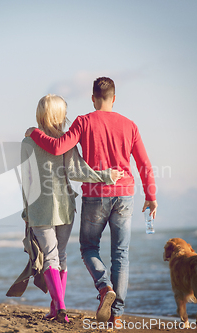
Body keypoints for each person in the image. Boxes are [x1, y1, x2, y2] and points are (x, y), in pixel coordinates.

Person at [25, 77, 157, 325]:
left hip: (96, 195)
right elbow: (144, 165)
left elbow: (57, 147)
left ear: (93, 98)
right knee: (121, 255)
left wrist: (34, 133)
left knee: (88, 248)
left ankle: (104, 287)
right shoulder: (130, 125)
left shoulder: (84, 121)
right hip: (125, 194)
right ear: (114, 99)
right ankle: (116, 316)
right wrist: (151, 196)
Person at [18, 94, 123, 323]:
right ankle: (57, 309)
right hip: (65, 207)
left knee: (50, 257)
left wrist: (26, 212)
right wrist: (106, 176)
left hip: (39, 208)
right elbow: (78, 171)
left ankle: (60, 309)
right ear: (59, 115)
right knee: (61, 257)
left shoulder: (27, 143)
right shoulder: (66, 142)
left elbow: (26, 182)